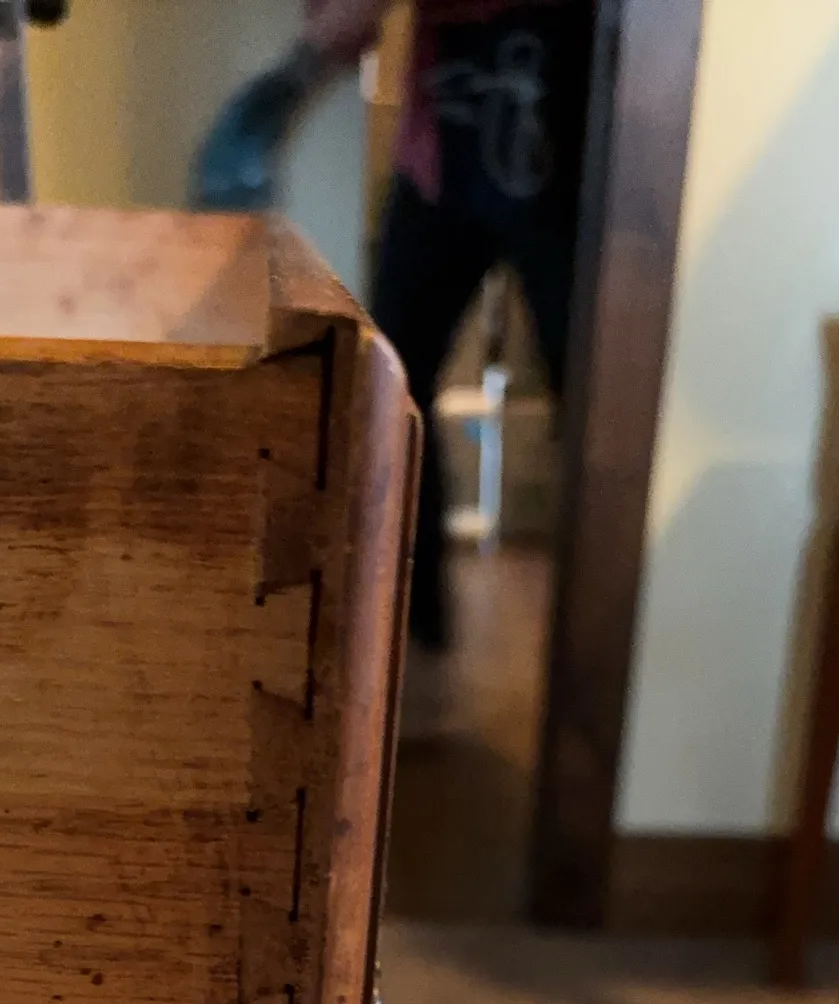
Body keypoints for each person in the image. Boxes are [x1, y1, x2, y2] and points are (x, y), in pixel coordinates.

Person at [194, 0, 595, 653]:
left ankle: (597, 650)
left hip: (565, 145)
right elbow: (343, 25)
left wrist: (315, 53)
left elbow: (345, 23)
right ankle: (412, 630)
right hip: (440, 162)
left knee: (595, 407)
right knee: (390, 382)